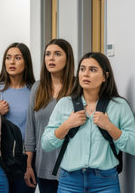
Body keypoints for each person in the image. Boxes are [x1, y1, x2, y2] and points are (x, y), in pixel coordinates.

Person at [42, 52, 135, 192]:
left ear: (105, 76)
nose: (85, 74)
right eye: (82, 69)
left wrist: (110, 127)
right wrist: (67, 125)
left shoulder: (119, 106)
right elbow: (46, 144)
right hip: (69, 182)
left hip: (106, 183)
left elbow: (133, 146)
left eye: (93, 70)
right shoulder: (64, 104)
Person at [24, 39, 75, 192]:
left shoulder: (77, 87)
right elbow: (31, 130)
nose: (51, 58)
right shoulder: (37, 88)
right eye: (48, 54)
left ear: (68, 59)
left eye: (57, 54)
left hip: (72, 166)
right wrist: (28, 166)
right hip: (43, 165)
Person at [0, 42, 35, 193]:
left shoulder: (35, 91)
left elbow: (34, 130)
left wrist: (28, 165)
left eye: (17, 58)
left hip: (24, 160)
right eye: (8, 58)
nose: (12, 62)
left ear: (26, 62)